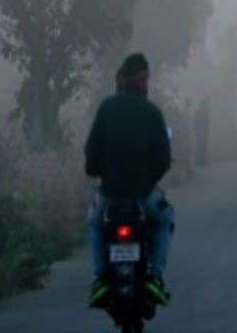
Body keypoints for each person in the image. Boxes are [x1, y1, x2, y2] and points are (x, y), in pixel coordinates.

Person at [84, 52, 174, 309]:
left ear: (121, 79)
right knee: (165, 218)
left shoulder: (106, 108)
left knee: (94, 223)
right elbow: (164, 159)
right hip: (144, 196)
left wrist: (96, 171)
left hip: (109, 194)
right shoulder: (152, 112)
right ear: (143, 81)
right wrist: (149, 180)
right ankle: (155, 275)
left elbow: (91, 151)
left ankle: (101, 278)